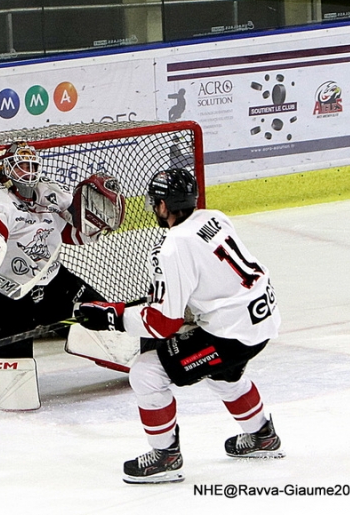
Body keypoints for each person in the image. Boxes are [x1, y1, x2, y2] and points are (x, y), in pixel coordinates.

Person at [77, 168, 283, 484]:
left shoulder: (172, 246)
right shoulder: (214, 217)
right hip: (262, 319)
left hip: (231, 333)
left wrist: (111, 316)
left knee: (146, 373)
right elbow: (213, 280)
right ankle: (262, 436)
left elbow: (162, 324)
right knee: (222, 373)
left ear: (162, 206)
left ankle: (165, 456)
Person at [0, 142, 126, 410]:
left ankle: (150, 354)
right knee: (13, 386)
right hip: (4, 295)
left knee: (111, 324)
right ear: (4, 169)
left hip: (53, 284)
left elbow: (72, 233)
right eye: (22, 165)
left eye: (33, 166)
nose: (29, 172)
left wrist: (94, 221)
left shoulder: (47, 193)